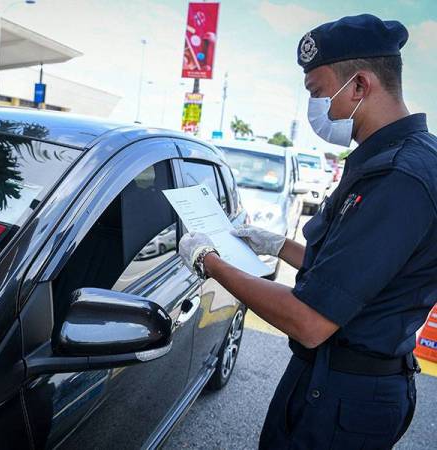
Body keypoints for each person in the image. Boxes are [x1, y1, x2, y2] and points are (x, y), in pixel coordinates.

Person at [179, 14, 437, 449]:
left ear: (359, 86)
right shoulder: (391, 159)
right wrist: (278, 246)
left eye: (319, 94)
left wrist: (208, 262)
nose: (318, 111)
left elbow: (309, 321)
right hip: (336, 381)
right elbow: (346, 271)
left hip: (346, 395)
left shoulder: (400, 178)